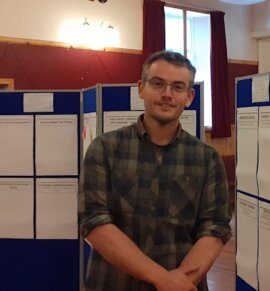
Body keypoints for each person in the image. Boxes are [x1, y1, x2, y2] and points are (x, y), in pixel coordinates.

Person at [78, 50, 231, 291]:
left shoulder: (206, 158)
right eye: (158, 84)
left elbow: (215, 226)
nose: (167, 94)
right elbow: (94, 221)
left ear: (189, 97)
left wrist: (179, 282)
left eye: (177, 87)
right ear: (141, 88)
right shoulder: (105, 149)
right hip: (113, 284)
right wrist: (163, 280)